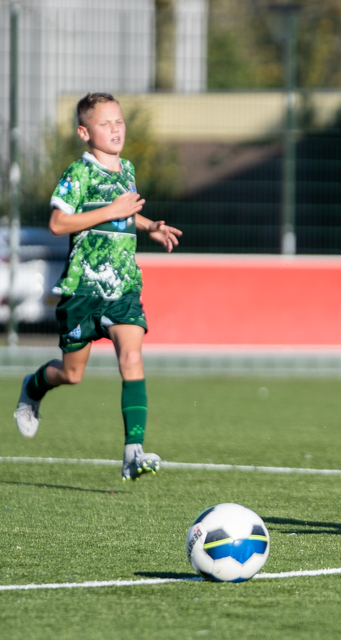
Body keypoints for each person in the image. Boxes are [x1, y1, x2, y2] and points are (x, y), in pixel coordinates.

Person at [13, 92, 182, 481]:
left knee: (132, 358)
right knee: (72, 374)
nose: (116, 129)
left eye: (119, 121)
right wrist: (113, 211)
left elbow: (123, 215)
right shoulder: (79, 172)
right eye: (105, 124)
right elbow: (59, 223)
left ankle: (132, 452)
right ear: (84, 132)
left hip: (123, 286)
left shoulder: (127, 169)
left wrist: (149, 225)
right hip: (82, 290)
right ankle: (33, 388)